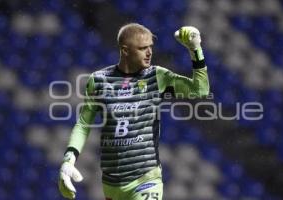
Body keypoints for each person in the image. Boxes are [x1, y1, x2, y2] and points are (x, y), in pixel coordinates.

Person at [58, 23, 209, 200]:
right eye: (143, 48)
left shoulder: (157, 76)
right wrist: (68, 160)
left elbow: (200, 90)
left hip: (146, 179)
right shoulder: (99, 80)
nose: (149, 52)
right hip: (111, 184)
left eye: (150, 47)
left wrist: (195, 50)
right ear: (125, 50)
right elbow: (83, 124)